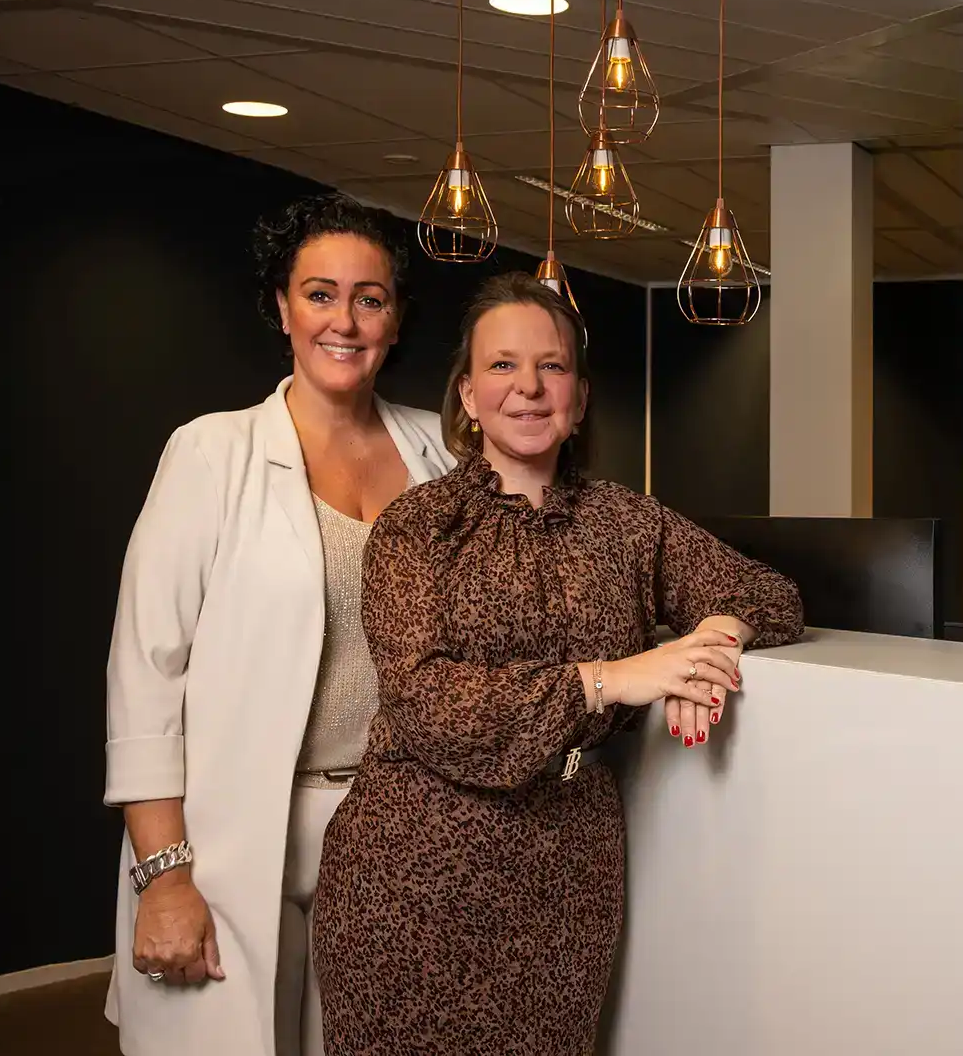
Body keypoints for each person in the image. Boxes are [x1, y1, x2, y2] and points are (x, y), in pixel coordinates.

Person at [313, 273, 803, 1056]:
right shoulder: (417, 527)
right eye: (502, 365)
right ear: (468, 396)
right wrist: (614, 677)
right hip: (413, 883)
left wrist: (710, 640)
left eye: (552, 366)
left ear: (579, 397)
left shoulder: (628, 522)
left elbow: (769, 593)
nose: (530, 387)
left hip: (567, 882)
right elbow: (427, 702)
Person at [102, 194, 454, 1056]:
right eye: (320, 294)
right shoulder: (210, 453)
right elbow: (145, 674)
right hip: (232, 835)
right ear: (283, 307)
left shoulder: (443, 453)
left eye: (370, 298)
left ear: (396, 318)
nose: (345, 320)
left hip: (396, 827)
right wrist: (163, 875)